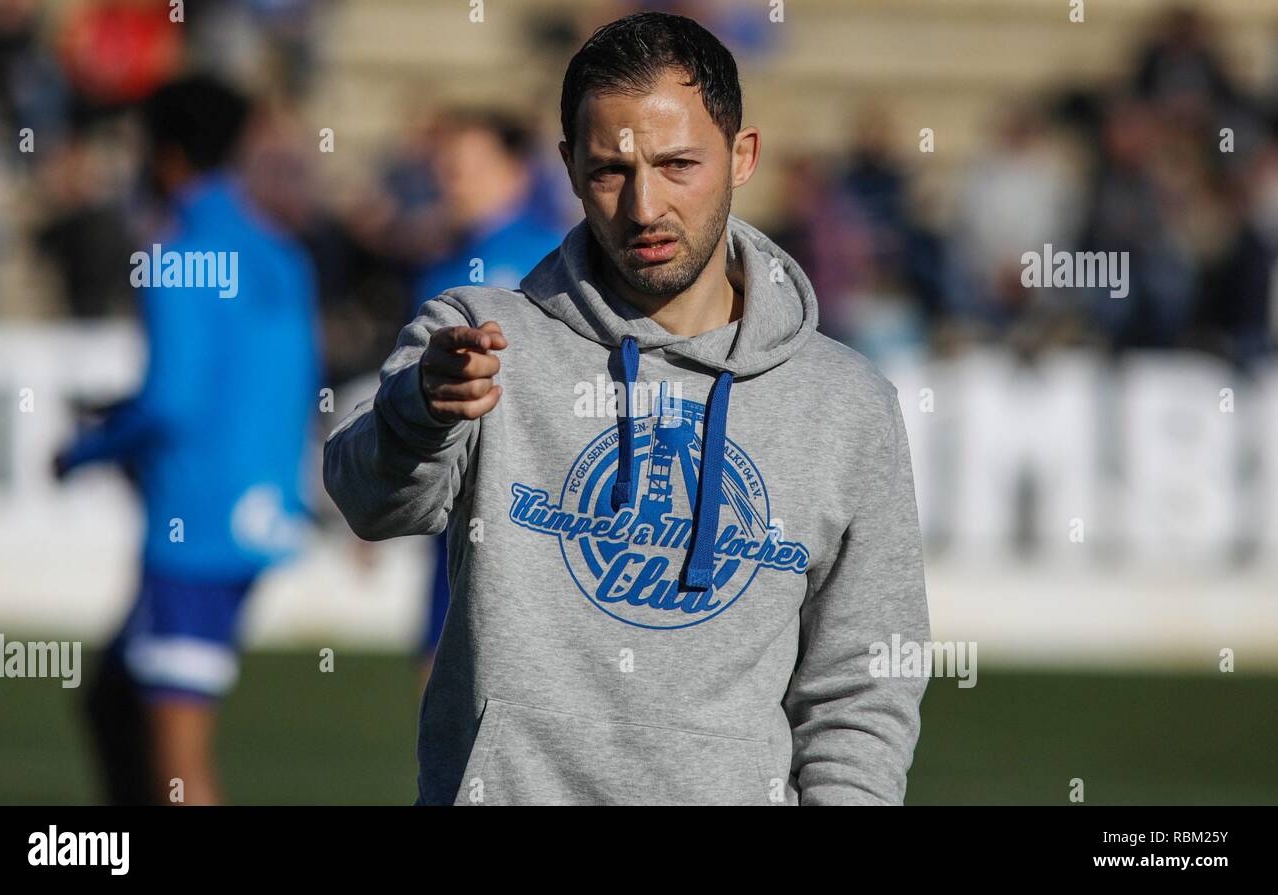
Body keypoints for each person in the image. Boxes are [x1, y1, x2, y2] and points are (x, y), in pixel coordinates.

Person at [324, 11, 930, 806]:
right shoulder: (480, 337)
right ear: (570, 167)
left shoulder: (848, 404)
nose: (645, 207)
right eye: (612, 170)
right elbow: (370, 501)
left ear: (743, 156)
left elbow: (863, 685)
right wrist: (421, 410)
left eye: (680, 164)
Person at [55, 74, 320, 805]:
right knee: (112, 699)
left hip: (195, 524)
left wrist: (84, 449)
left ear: (167, 155)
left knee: (177, 757)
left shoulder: (178, 252)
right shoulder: (279, 252)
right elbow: (264, 378)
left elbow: (172, 400)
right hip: (259, 508)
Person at [408, 108, 564, 685]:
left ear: (517, 173)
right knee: (441, 689)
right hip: (456, 504)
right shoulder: (441, 263)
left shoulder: (557, 259)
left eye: (470, 166)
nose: (454, 180)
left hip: (529, 511)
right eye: (447, 167)